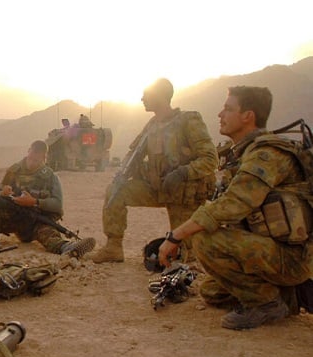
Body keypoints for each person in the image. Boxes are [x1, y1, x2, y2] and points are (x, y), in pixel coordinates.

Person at [158, 86, 313, 330]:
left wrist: (176, 235)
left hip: (292, 257)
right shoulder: (245, 154)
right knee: (212, 292)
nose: (220, 114)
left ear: (247, 116)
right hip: (273, 250)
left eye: (228, 109)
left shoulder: (266, 155)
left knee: (203, 239)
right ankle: (287, 295)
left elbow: (232, 205)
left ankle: (266, 303)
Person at [92, 78, 218, 263]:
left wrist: (182, 173)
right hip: (157, 188)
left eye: (147, 94)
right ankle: (114, 248)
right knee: (115, 192)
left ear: (160, 96)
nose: (142, 98)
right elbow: (134, 152)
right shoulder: (152, 125)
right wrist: (124, 172)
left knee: (186, 254)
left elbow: (210, 159)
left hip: (183, 193)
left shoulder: (188, 120)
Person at [0, 140, 96, 257]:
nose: (32, 163)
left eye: (37, 161)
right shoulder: (14, 170)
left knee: (48, 235)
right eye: (31, 158)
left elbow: (57, 205)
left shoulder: (50, 177)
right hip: (12, 218)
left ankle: (67, 248)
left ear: (44, 158)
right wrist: (3, 193)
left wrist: (34, 202)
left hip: (35, 222)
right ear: (28, 152)